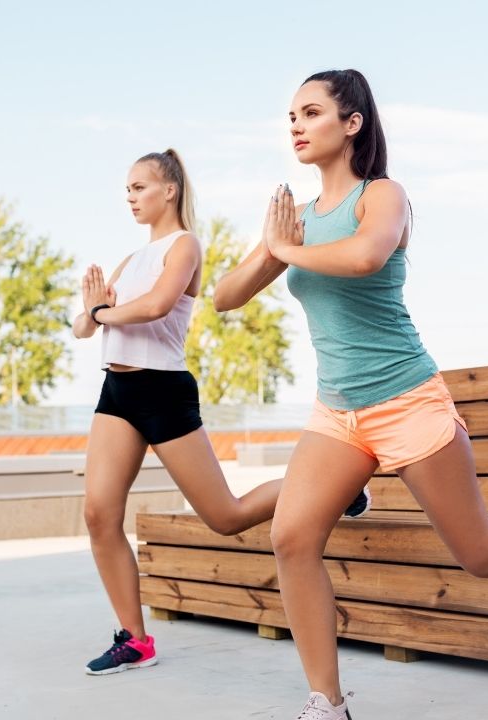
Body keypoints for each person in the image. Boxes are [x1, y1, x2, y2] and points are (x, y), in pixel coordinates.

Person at [213, 70, 488, 719]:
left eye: (311, 112)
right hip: (337, 414)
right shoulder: (293, 223)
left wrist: (286, 250)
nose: (295, 125)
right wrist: (276, 249)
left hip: (407, 401)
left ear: (352, 123)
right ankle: (327, 703)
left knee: (482, 554)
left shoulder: (383, 197)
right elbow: (224, 297)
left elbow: (364, 258)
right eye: (291, 114)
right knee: (291, 538)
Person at [72, 148, 371, 677]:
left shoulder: (184, 246)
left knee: (225, 517)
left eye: (139, 187)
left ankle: (337, 487)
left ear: (170, 190)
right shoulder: (126, 260)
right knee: (98, 514)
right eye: (127, 190)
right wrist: (92, 311)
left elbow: (154, 307)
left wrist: (100, 311)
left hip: (163, 392)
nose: (130, 198)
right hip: (115, 393)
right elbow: (84, 327)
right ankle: (134, 640)